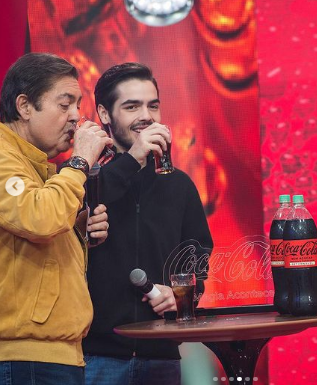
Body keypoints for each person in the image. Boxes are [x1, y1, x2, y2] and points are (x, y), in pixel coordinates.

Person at [83, 62, 213, 385]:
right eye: (131, 106)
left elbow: (200, 261)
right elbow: (75, 210)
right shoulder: (83, 177)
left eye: (152, 105)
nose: (147, 115)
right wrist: (132, 159)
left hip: (161, 355)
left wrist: (184, 296)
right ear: (104, 113)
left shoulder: (179, 185)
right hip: (96, 356)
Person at [0, 52, 113, 385]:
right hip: (25, 358)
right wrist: (79, 162)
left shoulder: (32, 163)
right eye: (65, 105)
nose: (76, 117)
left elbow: (35, 234)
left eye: (78, 105)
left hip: (53, 353)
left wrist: (76, 230)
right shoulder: (3, 157)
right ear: (24, 106)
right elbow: (40, 218)